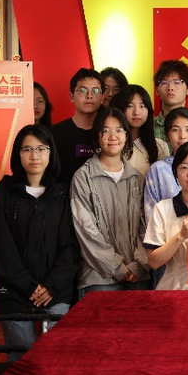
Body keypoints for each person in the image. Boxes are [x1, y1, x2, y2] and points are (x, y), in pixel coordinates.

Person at [0, 124, 78, 361]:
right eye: (27, 149)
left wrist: (51, 285)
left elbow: (70, 245)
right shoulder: (3, 194)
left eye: (41, 149)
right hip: (14, 292)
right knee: (23, 358)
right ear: (18, 154)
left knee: (56, 355)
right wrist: (28, 286)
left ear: (50, 152)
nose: (34, 156)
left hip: (54, 290)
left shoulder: (62, 193)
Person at [71, 107, 150, 297]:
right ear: (97, 136)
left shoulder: (137, 178)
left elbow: (145, 226)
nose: (112, 136)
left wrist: (138, 265)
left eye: (119, 130)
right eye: (106, 131)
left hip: (138, 275)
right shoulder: (83, 177)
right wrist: (117, 267)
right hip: (99, 278)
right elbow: (86, 229)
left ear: (126, 135)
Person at [144, 141, 188, 290]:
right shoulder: (162, 209)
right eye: (184, 168)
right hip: (174, 289)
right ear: (175, 172)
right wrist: (181, 235)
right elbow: (154, 262)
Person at [50, 68, 104, 184]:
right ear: (71, 96)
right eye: (83, 90)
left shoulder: (109, 134)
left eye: (95, 91)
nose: (89, 95)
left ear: (102, 98)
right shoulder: (54, 134)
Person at [110, 84, 170, 177]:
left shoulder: (159, 147)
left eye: (142, 106)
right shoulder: (110, 144)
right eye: (130, 106)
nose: (136, 112)